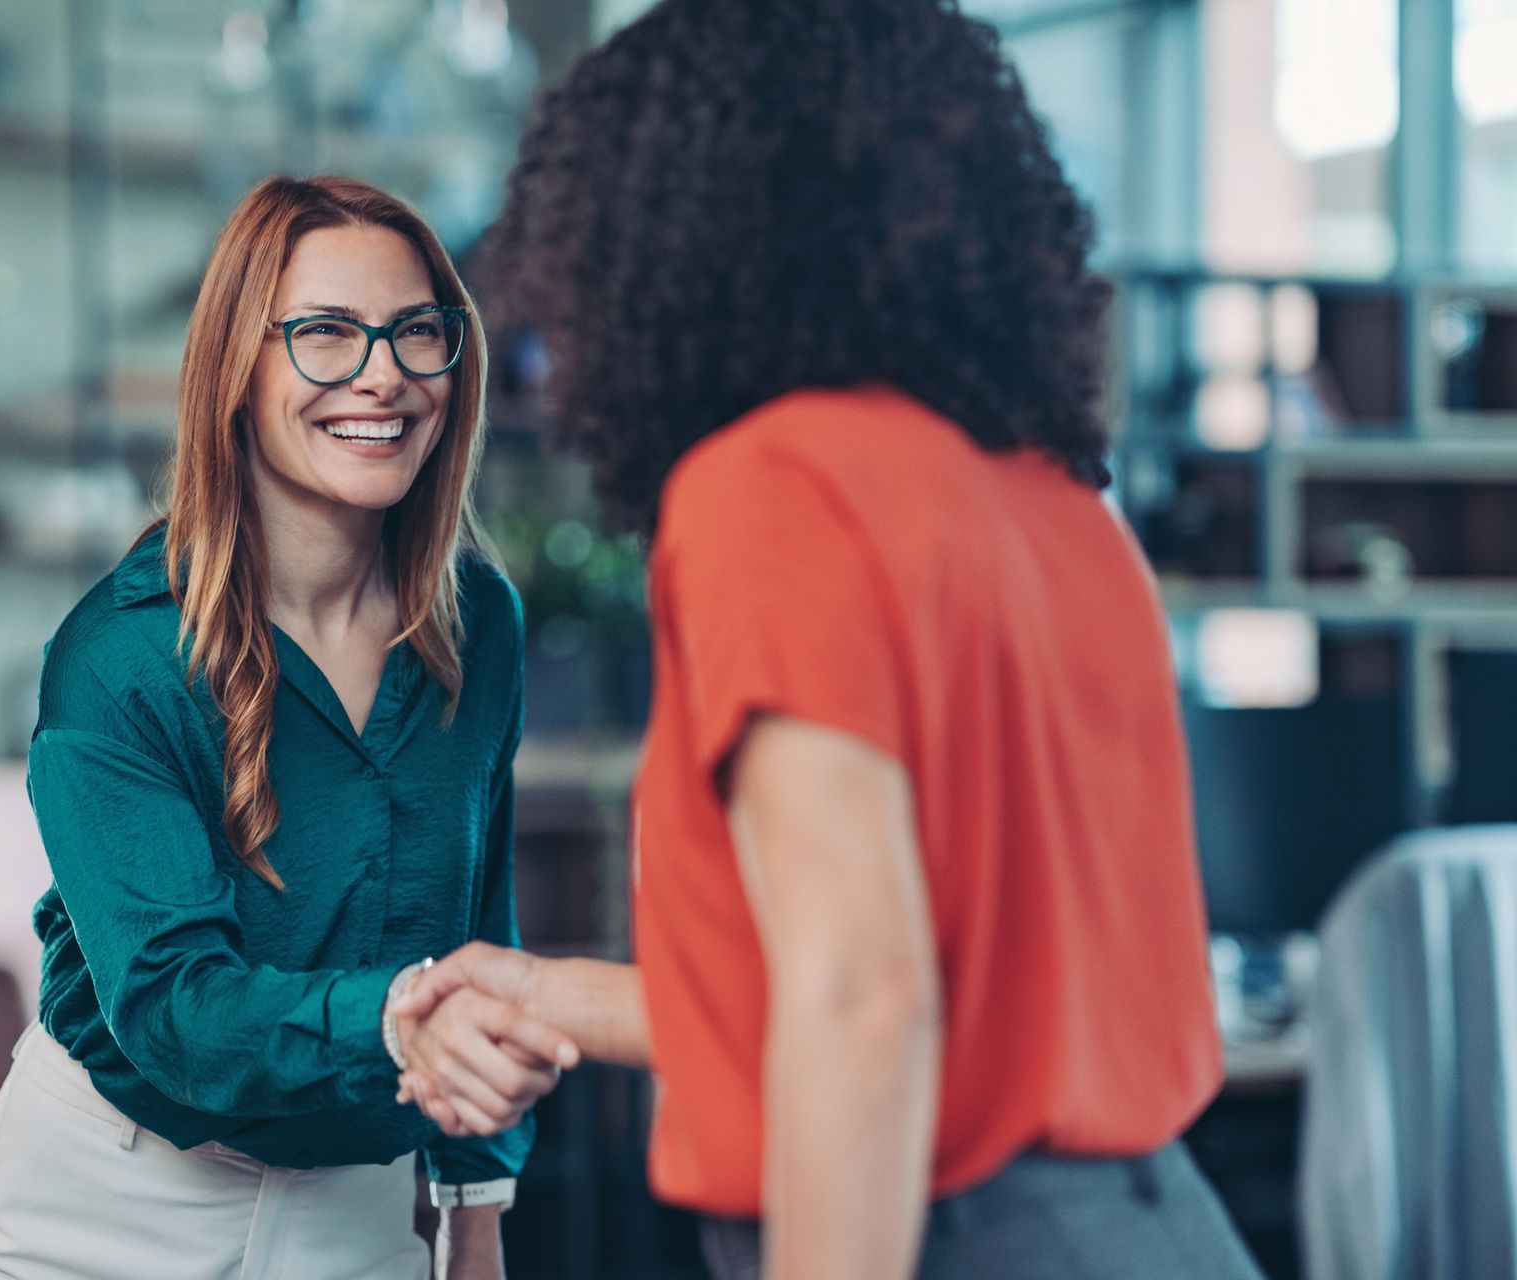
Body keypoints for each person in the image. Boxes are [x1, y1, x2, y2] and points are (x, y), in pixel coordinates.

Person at [393, 2, 1266, 1277]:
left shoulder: (772, 485)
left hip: (951, 1236)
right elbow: (946, 997)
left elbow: (863, 993)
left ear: (663, 234)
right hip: (1156, 1225)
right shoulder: (1056, 503)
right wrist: (548, 993)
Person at [0, 174, 575, 1280]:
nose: (383, 373)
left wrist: (475, 1215)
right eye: (326, 332)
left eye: (418, 331)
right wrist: (395, 1023)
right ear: (238, 363)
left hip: (360, 1210)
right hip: (105, 1204)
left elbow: (482, 928)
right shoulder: (122, 657)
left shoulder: (484, 625)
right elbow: (175, 1004)